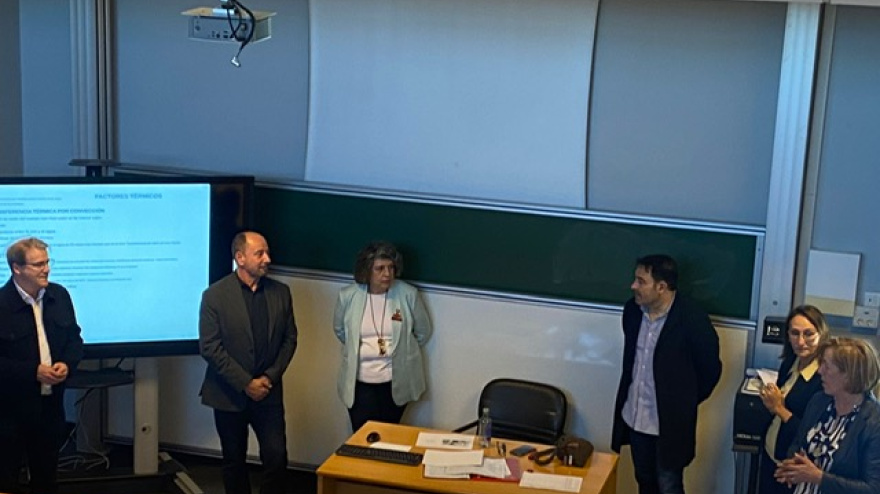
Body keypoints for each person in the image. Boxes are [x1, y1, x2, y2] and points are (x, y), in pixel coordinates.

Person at [611, 254, 722, 494]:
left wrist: (683, 401)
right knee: (644, 482)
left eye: (641, 281)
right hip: (636, 418)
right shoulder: (632, 311)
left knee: (669, 485)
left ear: (661, 287)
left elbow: (710, 370)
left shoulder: (692, 320)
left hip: (669, 426)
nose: (633, 286)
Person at [199, 231, 297, 494]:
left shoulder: (281, 293)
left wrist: (268, 378)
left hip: (268, 392)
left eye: (267, 252)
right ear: (240, 258)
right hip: (228, 394)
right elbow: (209, 347)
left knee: (276, 458)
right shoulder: (214, 296)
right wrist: (245, 383)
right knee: (234, 461)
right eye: (260, 253)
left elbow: (290, 340)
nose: (268, 258)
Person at [0, 237, 83, 494]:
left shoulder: (59, 295)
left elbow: (74, 339)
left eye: (47, 262)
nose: (46, 269)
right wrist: (32, 372)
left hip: (50, 409)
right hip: (9, 412)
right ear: (17, 268)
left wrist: (67, 364)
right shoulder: (2, 305)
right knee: (6, 479)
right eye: (38, 264)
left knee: (46, 479)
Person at [333, 241, 432, 433]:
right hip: (360, 384)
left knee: (389, 436)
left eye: (391, 267)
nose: (387, 274)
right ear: (366, 270)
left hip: (395, 382)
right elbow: (341, 331)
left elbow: (423, 332)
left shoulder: (408, 294)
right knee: (362, 438)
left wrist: (402, 351)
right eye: (380, 269)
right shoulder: (348, 296)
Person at [774, 337, 880, 494]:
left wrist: (818, 477)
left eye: (827, 366)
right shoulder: (819, 401)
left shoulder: (873, 422)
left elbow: (873, 489)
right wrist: (791, 467)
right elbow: (798, 443)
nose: (819, 371)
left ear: (849, 375)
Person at [758, 305, 830, 494]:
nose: (800, 341)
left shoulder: (825, 380)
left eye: (809, 334)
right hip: (770, 457)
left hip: (793, 470)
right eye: (794, 333)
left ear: (821, 335)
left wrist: (778, 408)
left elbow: (813, 434)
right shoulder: (790, 363)